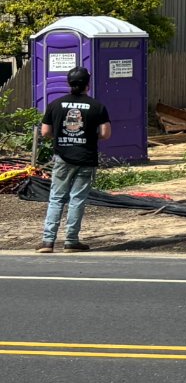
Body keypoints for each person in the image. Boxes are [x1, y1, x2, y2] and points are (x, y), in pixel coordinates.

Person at [39, 67, 110, 254]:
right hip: (86, 157)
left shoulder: (55, 104)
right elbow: (105, 134)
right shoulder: (97, 106)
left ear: (69, 83)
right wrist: (88, 136)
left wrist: (60, 137)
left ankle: (47, 242)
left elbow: (45, 132)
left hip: (62, 157)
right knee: (77, 199)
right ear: (88, 84)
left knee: (56, 198)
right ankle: (71, 241)